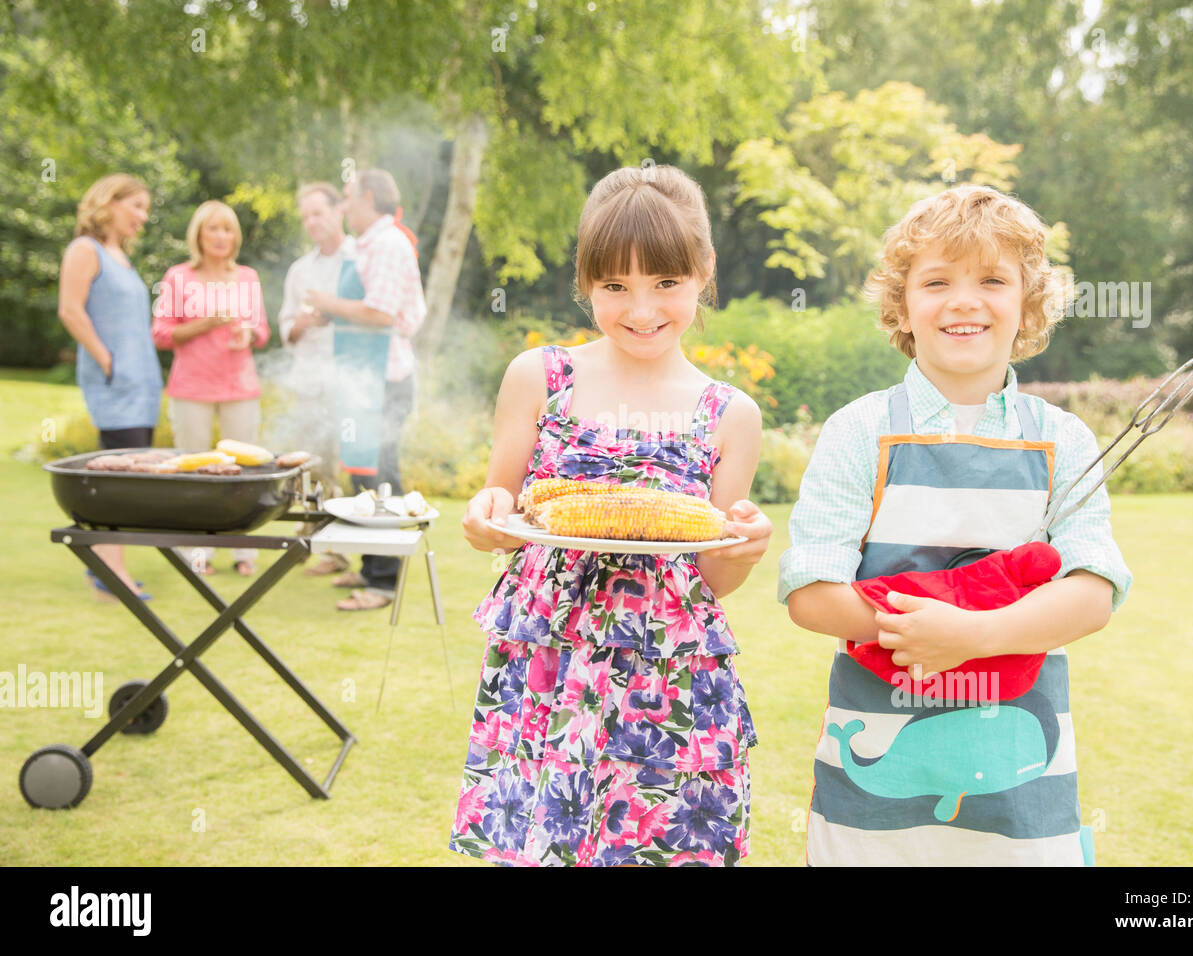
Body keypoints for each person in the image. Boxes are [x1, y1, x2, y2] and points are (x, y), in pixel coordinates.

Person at [779, 184, 1133, 866]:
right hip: (869, 805)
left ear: (1027, 304)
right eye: (937, 280)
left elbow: (1093, 592)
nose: (964, 300)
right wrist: (921, 631)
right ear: (903, 304)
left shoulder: (1063, 440)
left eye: (993, 280)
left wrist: (975, 635)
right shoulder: (862, 431)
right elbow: (811, 593)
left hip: (1023, 787)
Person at [453, 165, 774, 866]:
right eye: (615, 287)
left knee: (659, 846)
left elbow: (711, 580)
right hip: (549, 662)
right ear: (586, 282)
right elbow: (502, 507)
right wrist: (485, 520)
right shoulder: (540, 376)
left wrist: (742, 547)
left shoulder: (729, 414)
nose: (641, 309)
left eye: (666, 283)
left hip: (667, 672)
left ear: (704, 272)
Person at [301, 169, 425, 611]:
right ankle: (371, 565)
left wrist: (326, 303)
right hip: (360, 380)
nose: (343, 206)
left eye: (349, 198)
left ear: (368, 198)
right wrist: (330, 316)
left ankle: (383, 583)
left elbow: (379, 314)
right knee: (361, 475)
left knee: (381, 477)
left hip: (384, 382)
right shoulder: (368, 245)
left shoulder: (390, 244)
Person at [57, 173, 163, 602]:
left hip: (142, 383)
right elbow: (70, 310)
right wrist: (107, 360)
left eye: (146, 210)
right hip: (115, 383)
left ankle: (107, 563)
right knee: (119, 476)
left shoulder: (121, 256)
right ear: (109, 202)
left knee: (131, 476)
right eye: (136, 206)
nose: (142, 217)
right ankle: (109, 569)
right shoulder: (86, 249)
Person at [152, 200, 270, 577]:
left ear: (235, 236)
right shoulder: (178, 277)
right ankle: (196, 553)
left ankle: (243, 550)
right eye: (213, 229)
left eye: (228, 229)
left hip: (240, 386)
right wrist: (206, 323)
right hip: (192, 388)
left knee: (243, 470)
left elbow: (262, 331)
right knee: (195, 469)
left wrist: (246, 332)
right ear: (198, 235)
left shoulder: (247, 277)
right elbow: (161, 334)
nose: (221, 236)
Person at [277, 181, 355, 577]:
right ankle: (312, 539)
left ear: (339, 210)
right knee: (310, 466)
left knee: (349, 468)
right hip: (308, 381)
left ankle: (341, 549)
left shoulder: (359, 258)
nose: (312, 222)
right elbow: (285, 329)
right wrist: (302, 323)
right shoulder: (300, 270)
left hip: (351, 382)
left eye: (318, 213)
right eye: (306, 216)